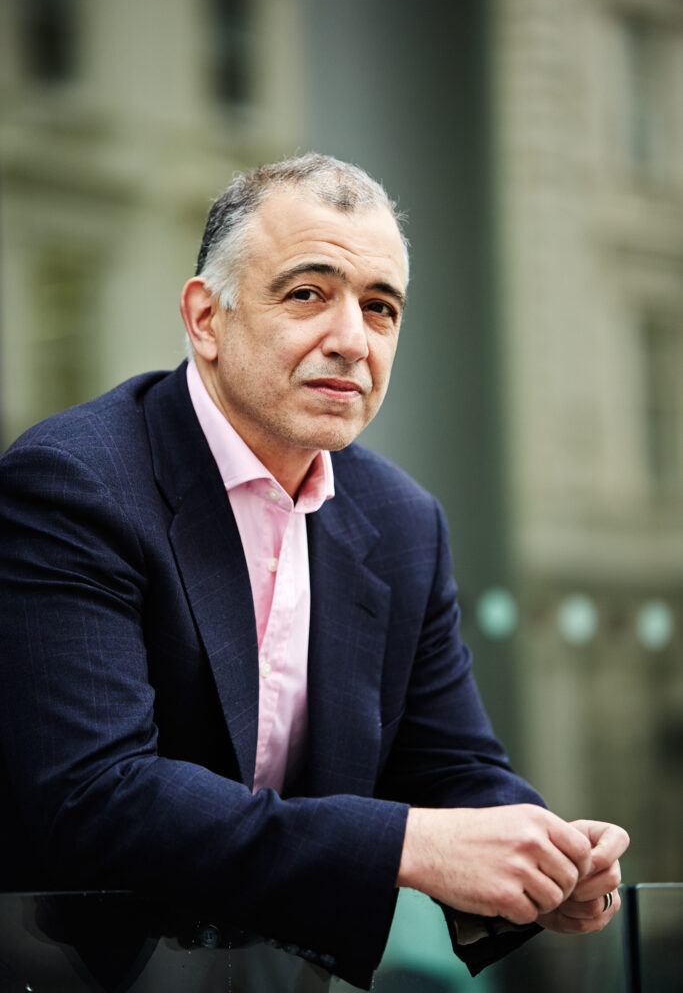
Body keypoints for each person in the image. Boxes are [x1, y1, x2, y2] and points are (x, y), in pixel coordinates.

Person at [0, 154, 628, 990]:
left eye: (379, 308)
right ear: (205, 318)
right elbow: (97, 799)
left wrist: (548, 854)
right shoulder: (75, 481)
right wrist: (409, 845)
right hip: (66, 970)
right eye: (306, 294)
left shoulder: (403, 520)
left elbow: (449, 765)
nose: (350, 340)